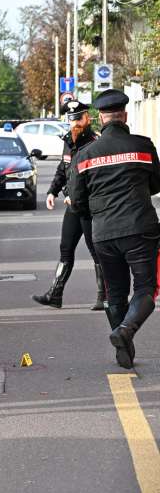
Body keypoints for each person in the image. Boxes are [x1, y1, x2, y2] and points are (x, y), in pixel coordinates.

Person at [70, 89, 160, 369]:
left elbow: (77, 199)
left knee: (115, 293)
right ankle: (125, 331)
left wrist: (95, 215)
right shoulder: (143, 146)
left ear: (100, 118)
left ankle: (125, 346)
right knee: (146, 289)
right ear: (124, 115)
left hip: (104, 233)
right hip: (140, 230)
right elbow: (157, 184)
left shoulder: (86, 154)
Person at [32, 99, 104, 310]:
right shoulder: (69, 142)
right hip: (73, 207)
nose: (75, 124)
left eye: (78, 120)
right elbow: (63, 169)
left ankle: (104, 296)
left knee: (96, 251)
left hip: (90, 207)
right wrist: (52, 191)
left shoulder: (96, 143)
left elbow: (98, 177)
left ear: (87, 118)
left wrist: (78, 195)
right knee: (65, 250)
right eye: (72, 120)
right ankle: (55, 294)